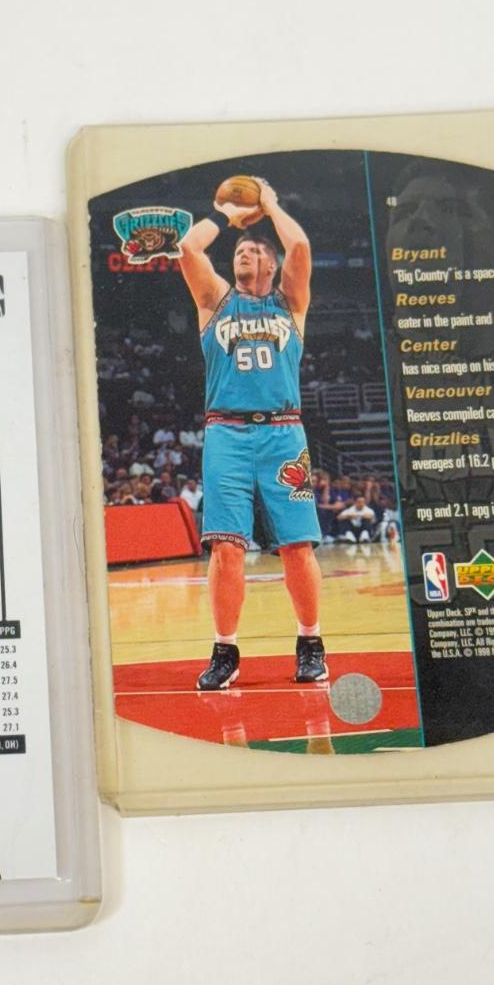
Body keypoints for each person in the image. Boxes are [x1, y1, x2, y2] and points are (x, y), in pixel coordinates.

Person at [177, 177, 327, 690]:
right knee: (226, 547)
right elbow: (188, 248)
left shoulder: (290, 303)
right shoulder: (216, 300)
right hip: (227, 434)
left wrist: (271, 204)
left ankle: (310, 642)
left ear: (271, 264)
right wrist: (228, 216)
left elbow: (300, 246)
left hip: (284, 434)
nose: (244, 252)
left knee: (297, 546)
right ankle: (225, 651)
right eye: (239, 250)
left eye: (254, 250)